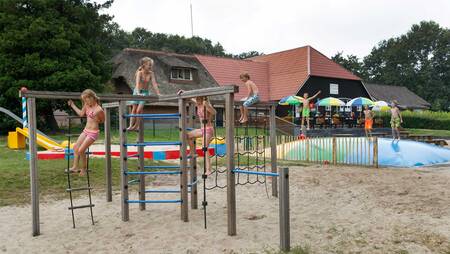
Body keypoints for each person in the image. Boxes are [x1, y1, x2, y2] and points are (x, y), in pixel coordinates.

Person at [178, 90, 216, 176]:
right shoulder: (198, 104)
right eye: (197, 99)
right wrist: (184, 92)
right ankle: (193, 152)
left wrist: (208, 106)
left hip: (208, 130)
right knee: (188, 135)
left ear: (203, 100)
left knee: (204, 148)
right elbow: (191, 98)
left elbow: (215, 112)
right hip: (202, 129)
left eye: (199, 100)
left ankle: (209, 169)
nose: (197, 101)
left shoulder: (206, 105)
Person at [67, 89, 104, 176]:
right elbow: (81, 114)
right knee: (76, 147)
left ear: (91, 98)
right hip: (86, 130)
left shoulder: (99, 109)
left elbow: (103, 120)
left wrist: (97, 119)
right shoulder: (87, 105)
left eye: (86, 99)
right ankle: (75, 167)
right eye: (84, 100)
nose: (85, 101)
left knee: (81, 150)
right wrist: (72, 105)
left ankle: (84, 169)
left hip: (93, 132)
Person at [127, 57, 161, 131]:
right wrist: (138, 93)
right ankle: (130, 125)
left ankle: (136, 126)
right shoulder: (139, 72)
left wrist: (158, 93)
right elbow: (137, 83)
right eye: (149, 65)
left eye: (151, 65)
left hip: (145, 93)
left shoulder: (151, 74)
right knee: (134, 109)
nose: (150, 67)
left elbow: (154, 84)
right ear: (144, 65)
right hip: (137, 91)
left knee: (139, 110)